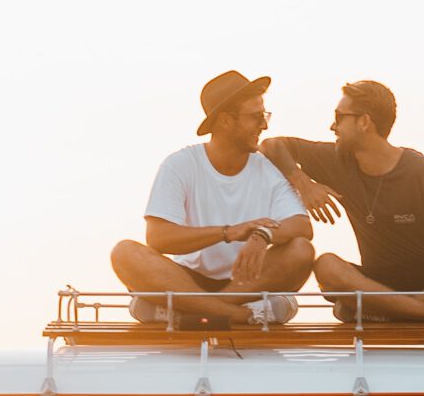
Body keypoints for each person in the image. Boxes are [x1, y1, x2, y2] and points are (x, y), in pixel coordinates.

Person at [259, 80, 424, 324]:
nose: (332, 126)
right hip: (378, 284)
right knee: (326, 265)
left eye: (339, 116)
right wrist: (305, 184)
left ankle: (396, 311)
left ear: (364, 122)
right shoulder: (336, 159)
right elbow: (272, 145)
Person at [111, 71, 314, 329]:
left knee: (301, 250)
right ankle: (239, 315)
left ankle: (197, 310)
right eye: (256, 117)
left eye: (265, 116)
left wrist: (263, 234)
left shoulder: (268, 170)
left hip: (249, 282)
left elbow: (302, 227)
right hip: (185, 281)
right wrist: (228, 232)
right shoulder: (180, 165)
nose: (264, 125)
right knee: (124, 253)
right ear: (225, 121)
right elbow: (159, 238)